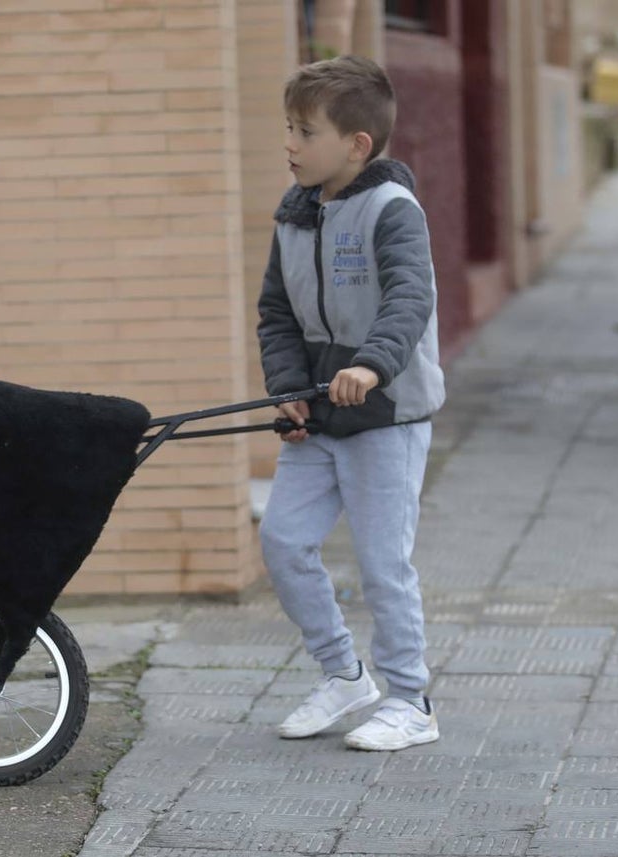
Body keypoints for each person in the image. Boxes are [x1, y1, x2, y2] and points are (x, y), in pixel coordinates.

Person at [257, 55, 445, 751]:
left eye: (305, 132)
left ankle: (411, 702)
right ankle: (344, 675)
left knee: (382, 565)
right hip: (319, 417)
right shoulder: (294, 215)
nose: (290, 144)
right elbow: (277, 313)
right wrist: (288, 390)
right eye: (289, 128)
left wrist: (370, 364)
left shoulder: (392, 210)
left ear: (356, 145)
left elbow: (409, 297)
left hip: (386, 418)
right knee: (283, 541)